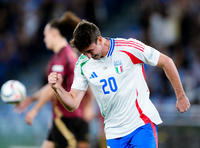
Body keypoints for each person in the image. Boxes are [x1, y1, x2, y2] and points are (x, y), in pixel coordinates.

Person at [48, 20, 190, 148]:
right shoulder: (82, 64)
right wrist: (58, 88)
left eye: (90, 51)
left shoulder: (128, 48)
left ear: (99, 39)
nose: (89, 57)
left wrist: (181, 96)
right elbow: (73, 103)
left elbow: (166, 61)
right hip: (113, 134)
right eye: (84, 53)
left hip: (141, 125)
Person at [15, 13, 94, 148]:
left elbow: (54, 87)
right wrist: (31, 99)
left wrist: (35, 109)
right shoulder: (64, 56)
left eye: (46, 35)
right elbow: (51, 87)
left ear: (54, 34)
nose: (44, 39)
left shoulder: (62, 58)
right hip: (64, 117)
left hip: (67, 118)